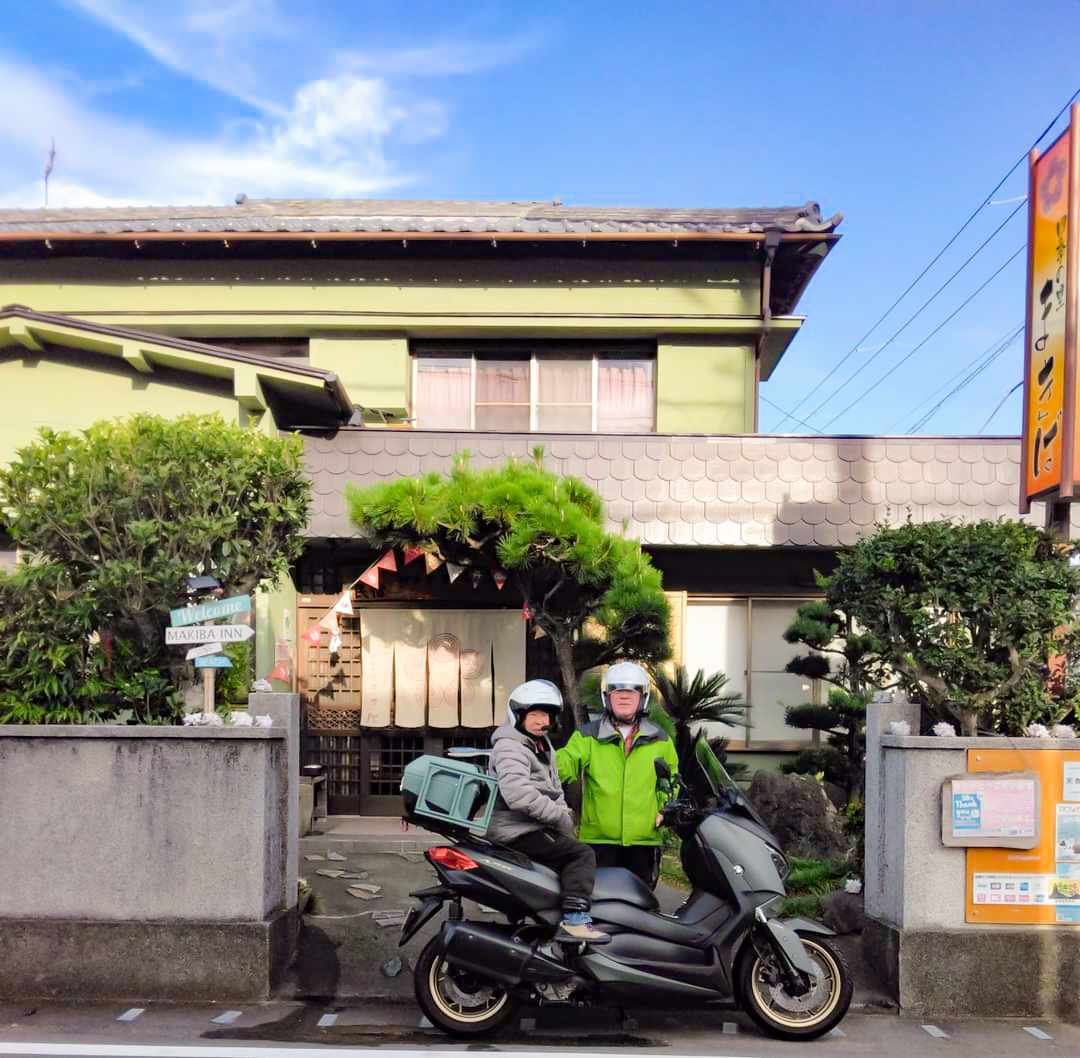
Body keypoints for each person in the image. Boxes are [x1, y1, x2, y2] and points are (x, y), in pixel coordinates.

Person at [488, 679, 609, 944]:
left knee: (571, 852)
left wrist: (564, 817)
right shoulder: (510, 746)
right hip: (516, 829)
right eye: (534, 714)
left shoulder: (540, 745)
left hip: (530, 826)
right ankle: (575, 921)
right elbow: (518, 795)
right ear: (518, 715)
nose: (541, 720)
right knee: (581, 854)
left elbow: (554, 789)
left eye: (546, 714)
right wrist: (560, 817)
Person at [557, 661, 679, 887]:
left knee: (642, 904)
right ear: (607, 697)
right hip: (598, 839)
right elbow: (563, 765)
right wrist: (537, 758)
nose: (624, 696)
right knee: (601, 903)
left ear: (642, 697)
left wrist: (663, 810)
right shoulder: (587, 737)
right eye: (617, 691)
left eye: (631, 691)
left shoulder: (660, 740)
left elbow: (670, 783)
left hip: (644, 840)